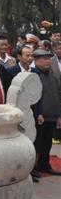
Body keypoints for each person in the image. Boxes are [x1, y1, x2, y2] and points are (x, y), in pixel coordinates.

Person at [31, 49, 61, 177]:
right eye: (44, 59)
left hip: (52, 115)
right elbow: (33, 97)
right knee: (37, 143)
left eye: (49, 58)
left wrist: (59, 115)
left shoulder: (52, 74)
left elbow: (57, 94)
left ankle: (44, 165)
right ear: (36, 61)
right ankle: (33, 167)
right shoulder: (33, 75)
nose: (47, 61)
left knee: (47, 143)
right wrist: (39, 113)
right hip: (40, 116)